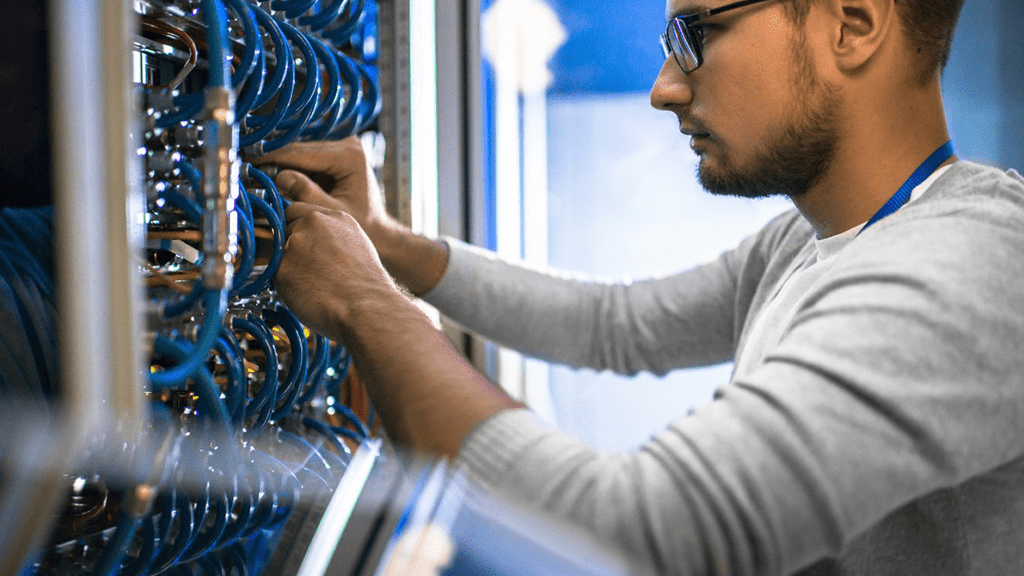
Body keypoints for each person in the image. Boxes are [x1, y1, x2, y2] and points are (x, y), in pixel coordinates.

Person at [259, 0, 1024, 574]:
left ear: (853, 25)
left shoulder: (967, 268)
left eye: (695, 35)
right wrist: (387, 247)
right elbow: (614, 323)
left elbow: (635, 534)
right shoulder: (812, 240)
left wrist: (364, 305)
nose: (664, 89)